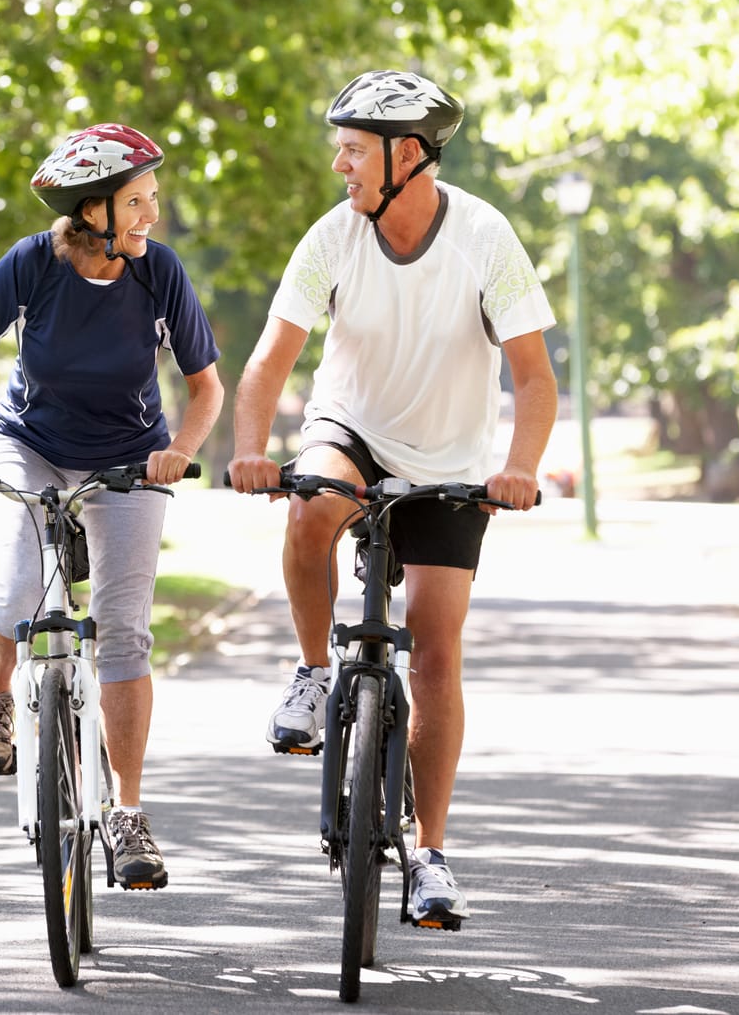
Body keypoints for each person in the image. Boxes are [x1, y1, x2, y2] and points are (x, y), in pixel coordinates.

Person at [225, 70, 557, 926]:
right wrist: (251, 451)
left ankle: (434, 855)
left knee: (438, 653)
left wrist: (516, 467)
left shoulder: (485, 237)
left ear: (408, 155)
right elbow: (269, 362)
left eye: (354, 148)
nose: (340, 164)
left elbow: (534, 377)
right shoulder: (332, 238)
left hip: (450, 463)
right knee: (311, 510)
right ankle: (310, 672)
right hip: (354, 430)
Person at [0, 123, 223, 890]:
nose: (152, 215)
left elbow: (206, 386)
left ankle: (126, 812)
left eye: (154, 198)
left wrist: (178, 448)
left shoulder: (160, 274)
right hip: (34, 445)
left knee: (121, 629)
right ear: (93, 210)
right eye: (139, 201)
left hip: (130, 457)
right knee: (19, 591)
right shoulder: (31, 265)